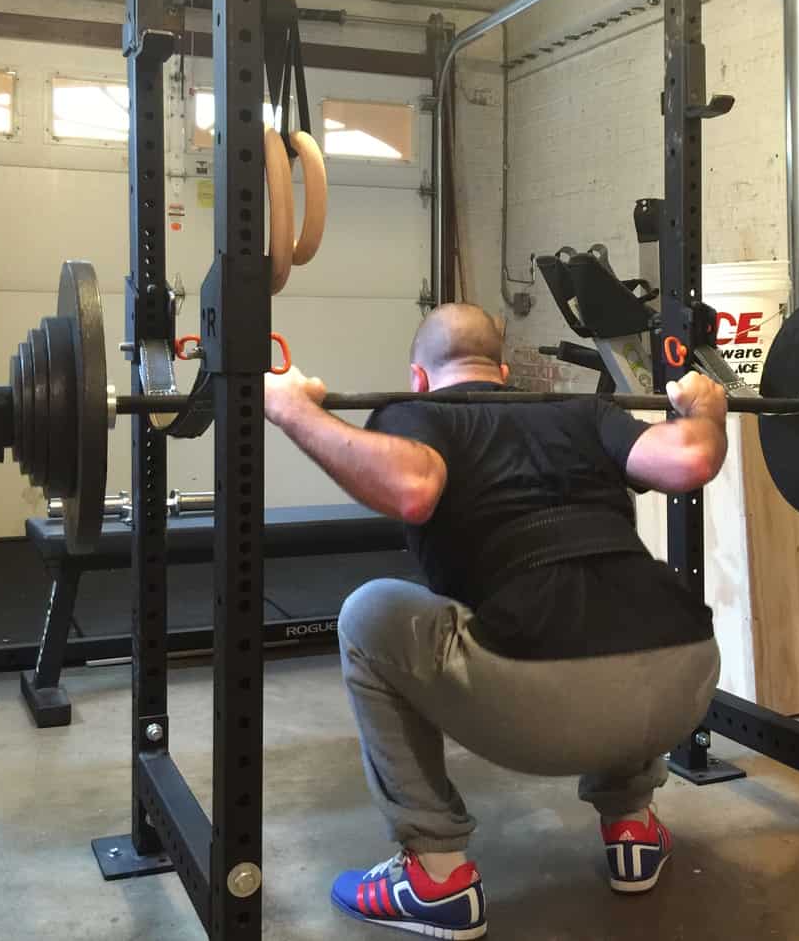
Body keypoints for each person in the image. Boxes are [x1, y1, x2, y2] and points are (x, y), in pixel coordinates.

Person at [264, 303, 728, 938]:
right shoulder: (579, 411)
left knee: (368, 613)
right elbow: (688, 462)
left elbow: (411, 489)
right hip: (686, 682)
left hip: (540, 710)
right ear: (504, 371)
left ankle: (435, 877)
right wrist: (706, 405)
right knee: (613, 600)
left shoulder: (417, 410)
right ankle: (633, 828)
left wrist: (290, 408)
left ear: (418, 377)